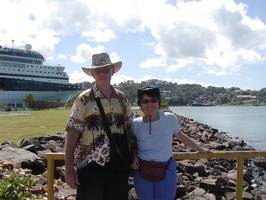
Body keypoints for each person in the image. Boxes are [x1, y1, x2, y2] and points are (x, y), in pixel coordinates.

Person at [64, 52, 134, 200]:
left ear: (112, 71)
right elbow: (72, 134)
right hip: (90, 168)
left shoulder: (121, 98)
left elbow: (130, 129)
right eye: (98, 70)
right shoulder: (83, 99)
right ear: (92, 74)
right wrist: (69, 169)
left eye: (106, 69)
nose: (102, 73)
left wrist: (134, 155)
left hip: (118, 166)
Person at [131, 86, 212, 200]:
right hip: (143, 169)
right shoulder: (135, 124)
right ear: (140, 104)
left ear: (159, 101)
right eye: (145, 101)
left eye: (153, 100)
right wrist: (133, 156)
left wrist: (201, 149)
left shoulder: (169, 118)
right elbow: (133, 144)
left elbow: (181, 136)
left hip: (166, 167)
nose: (150, 105)